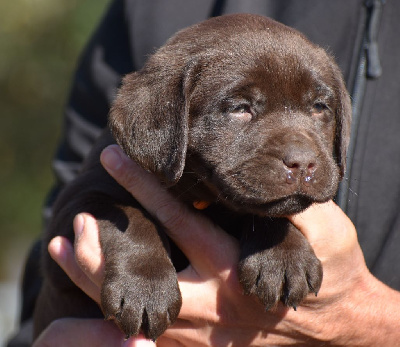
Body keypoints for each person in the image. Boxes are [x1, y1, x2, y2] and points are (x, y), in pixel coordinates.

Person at [8, 0, 400, 345]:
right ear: (165, 121)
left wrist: (277, 235)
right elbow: (69, 217)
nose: (300, 152)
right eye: (240, 108)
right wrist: (135, 249)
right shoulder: (147, 20)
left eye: (318, 108)